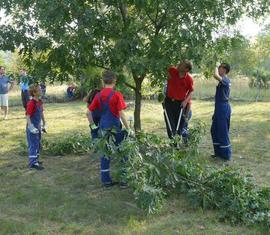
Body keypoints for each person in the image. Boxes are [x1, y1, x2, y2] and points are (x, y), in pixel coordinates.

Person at [87, 70, 131, 188]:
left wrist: (93, 128)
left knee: (105, 154)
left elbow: (88, 113)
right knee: (123, 152)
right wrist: (129, 128)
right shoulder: (117, 95)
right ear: (114, 81)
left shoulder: (98, 95)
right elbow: (121, 114)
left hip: (102, 128)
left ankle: (106, 181)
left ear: (103, 81)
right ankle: (123, 180)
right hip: (115, 128)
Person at [163, 60, 194, 140]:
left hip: (180, 104)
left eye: (181, 65)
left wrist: (185, 101)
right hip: (169, 102)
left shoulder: (189, 79)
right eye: (179, 63)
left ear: (186, 69)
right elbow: (165, 64)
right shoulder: (173, 71)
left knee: (179, 126)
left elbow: (191, 91)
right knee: (170, 124)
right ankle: (173, 143)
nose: (179, 65)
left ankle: (177, 141)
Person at [211, 63, 232, 161]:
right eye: (219, 67)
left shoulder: (226, 80)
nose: (219, 68)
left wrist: (216, 65)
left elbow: (215, 75)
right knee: (214, 130)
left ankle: (226, 155)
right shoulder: (222, 81)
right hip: (218, 108)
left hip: (223, 108)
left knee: (223, 131)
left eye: (220, 67)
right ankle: (218, 153)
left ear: (224, 70)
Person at [26, 84, 46, 170]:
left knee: (37, 143)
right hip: (32, 127)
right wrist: (31, 127)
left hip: (38, 126)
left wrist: (44, 122)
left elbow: (41, 112)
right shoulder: (31, 103)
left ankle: (36, 160)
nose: (41, 90)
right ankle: (33, 163)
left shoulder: (40, 101)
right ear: (34, 93)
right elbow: (28, 116)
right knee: (33, 144)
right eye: (39, 90)